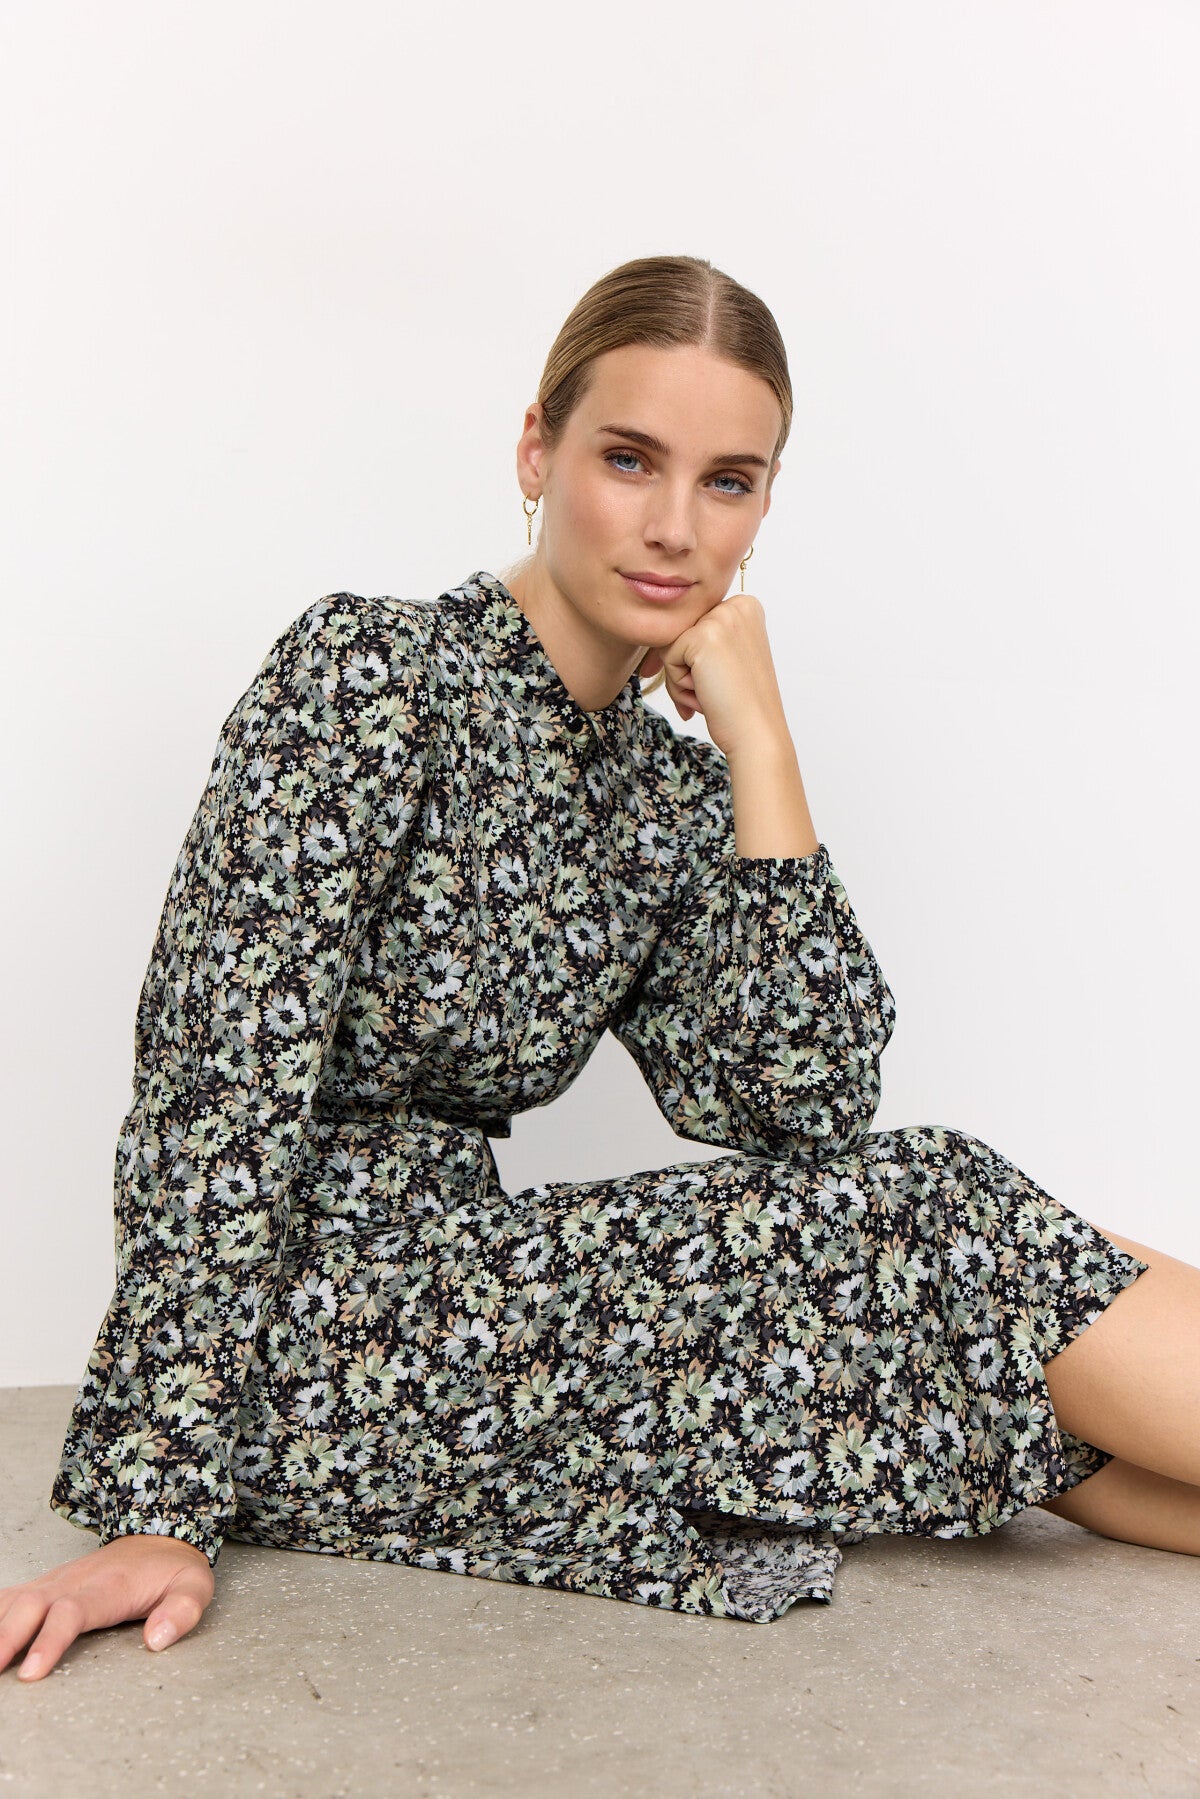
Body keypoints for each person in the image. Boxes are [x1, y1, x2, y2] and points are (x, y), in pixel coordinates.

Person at [4, 253, 1198, 1682]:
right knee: (944, 1219)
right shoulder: (369, 677)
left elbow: (807, 1111)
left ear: (764, 504)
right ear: (537, 450)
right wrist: (159, 1501)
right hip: (300, 1343)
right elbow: (217, 1093)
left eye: (728, 482)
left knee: (980, 1321)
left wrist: (761, 748)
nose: (676, 526)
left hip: (480, 1304)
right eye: (630, 460)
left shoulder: (662, 795)